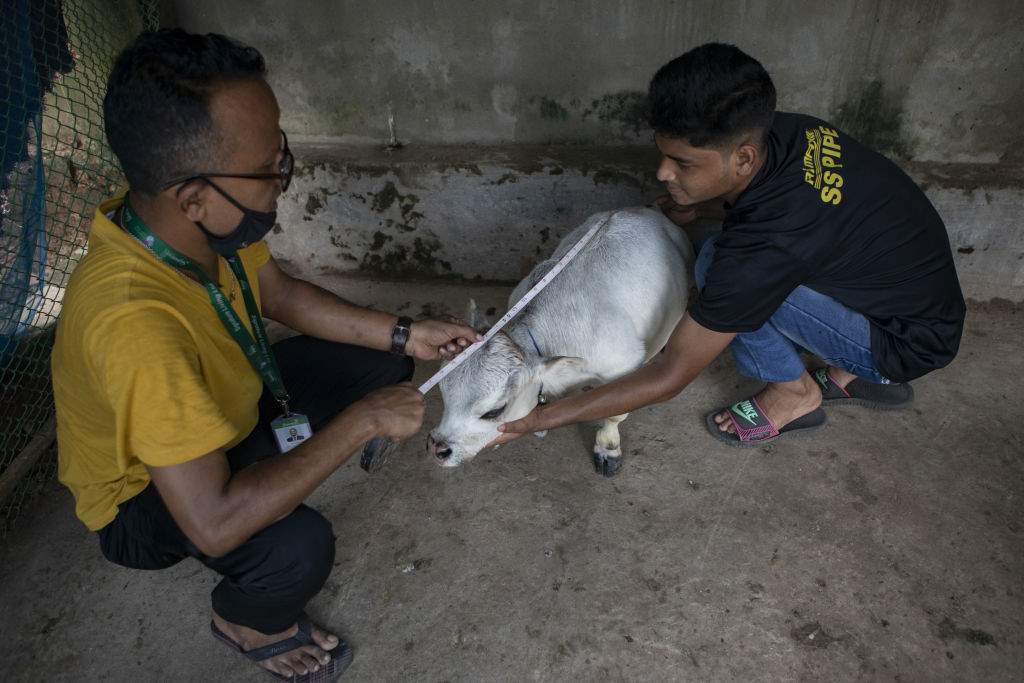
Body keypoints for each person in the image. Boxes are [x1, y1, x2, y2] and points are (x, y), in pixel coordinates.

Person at [51, 29, 479, 681]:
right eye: (265, 167)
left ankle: (293, 445)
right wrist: (360, 422)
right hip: (142, 496)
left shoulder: (187, 222)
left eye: (279, 147)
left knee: (384, 364)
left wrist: (406, 333)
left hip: (224, 410)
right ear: (194, 197)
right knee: (296, 547)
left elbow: (275, 290)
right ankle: (244, 618)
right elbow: (216, 521)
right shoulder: (134, 323)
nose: (282, 173)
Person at [498, 43, 965, 449]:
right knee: (733, 262)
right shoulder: (790, 133)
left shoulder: (760, 251)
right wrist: (698, 207)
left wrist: (539, 417)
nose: (663, 173)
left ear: (743, 157)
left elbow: (670, 375)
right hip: (919, 304)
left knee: (715, 266)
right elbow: (797, 222)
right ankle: (844, 371)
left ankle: (795, 394)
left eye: (682, 162)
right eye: (663, 154)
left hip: (902, 345)